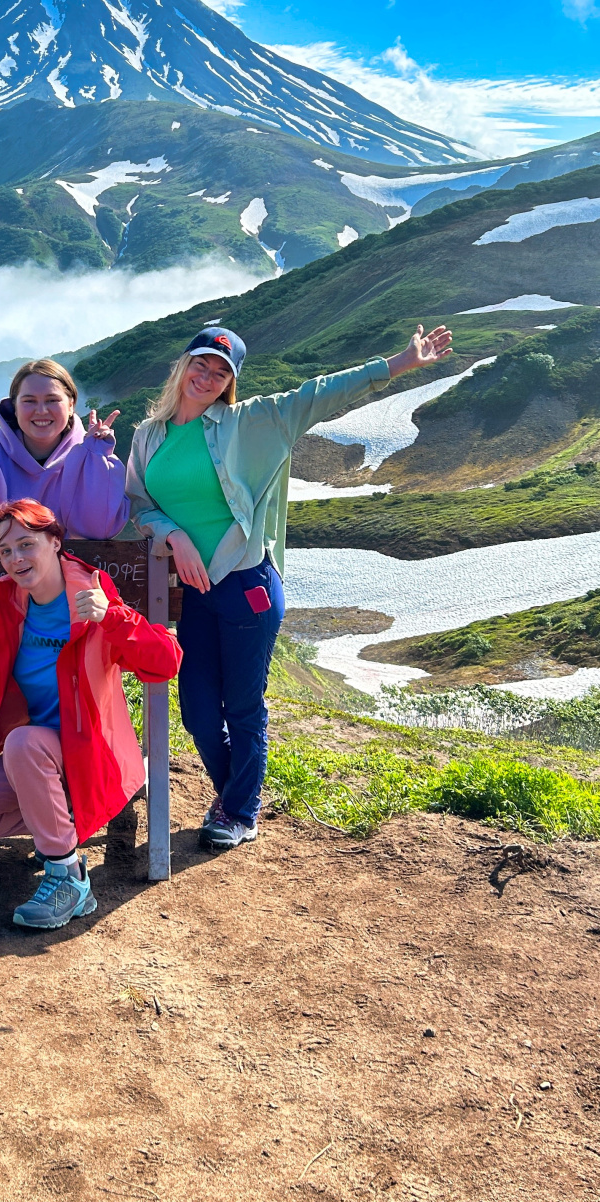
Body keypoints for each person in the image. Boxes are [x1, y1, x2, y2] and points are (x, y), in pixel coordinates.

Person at [125, 322, 453, 851]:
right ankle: (234, 794)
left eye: (221, 371)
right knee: (200, 714)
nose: (207, 376)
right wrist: (173, 535)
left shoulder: (254, 421)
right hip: (195, 590)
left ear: (231, 381)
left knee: (243, 706)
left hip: (247, 584)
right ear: (183, 366)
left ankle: (239, 810)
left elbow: (319, 393)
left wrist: (397, 365)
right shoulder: (149, 435)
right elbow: (139, 502)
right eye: (201, 363)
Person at [0, 499, 181, 930]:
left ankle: (69, 878)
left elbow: (165, 662)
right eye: (5, 551)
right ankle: (58, 825)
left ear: (54, 541)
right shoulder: (2, 599)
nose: (16, 559)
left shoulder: (92, 594)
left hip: (90, 756)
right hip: (38, 761)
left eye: (26, 544)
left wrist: (111, 616)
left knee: (24, 742)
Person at [0, 358, 128, 541]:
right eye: (29, 401)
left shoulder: (90, 456)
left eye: (52, 400)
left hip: (70, 573)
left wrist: (97, 458)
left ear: (71, 405)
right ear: (15, 407)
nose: (41, 411)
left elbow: (99, 530)